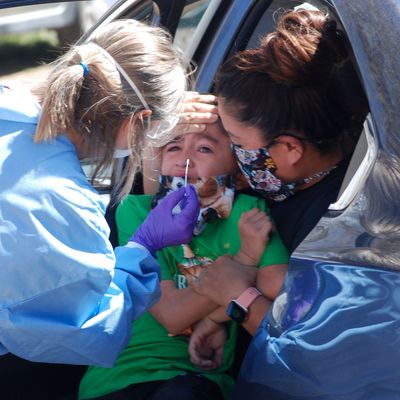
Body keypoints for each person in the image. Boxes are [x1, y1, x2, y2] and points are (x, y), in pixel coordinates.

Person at [0, 19, 200, 397]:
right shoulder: (58, 200)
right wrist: (142, 248)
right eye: (160, 137)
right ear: (138, 122)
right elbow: (84, 329)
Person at [183, 8, 369, 398]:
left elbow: (318, 353)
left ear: (288, 149)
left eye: (238, 142)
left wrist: (240, 299)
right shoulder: (268, 188)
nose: (232, 155)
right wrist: (219, 318)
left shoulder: (340, 225)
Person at [78, 121, 289, 400]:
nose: (184, 160)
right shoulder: (137, 210)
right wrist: (245, 259)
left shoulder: (249, 213)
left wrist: (212, 318)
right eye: (174, 147)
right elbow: (172, 316)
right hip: (117, 377)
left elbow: (278, 290)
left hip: (194, 379)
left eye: (204, 148)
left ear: (238, 172)